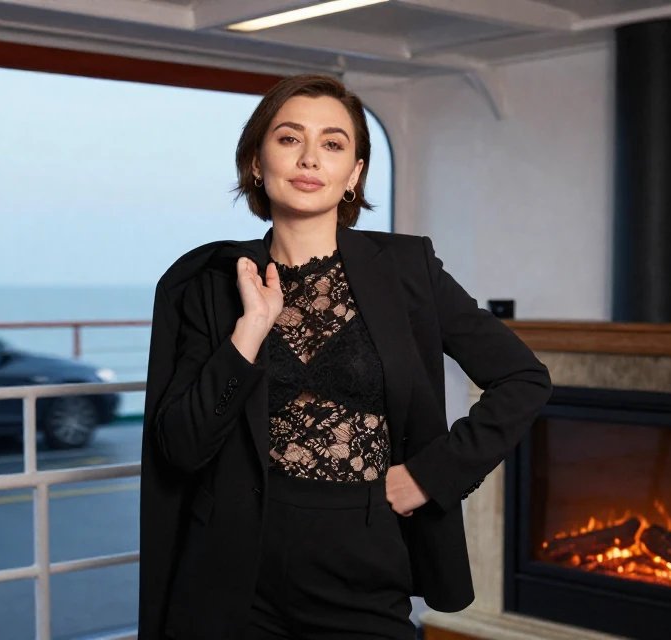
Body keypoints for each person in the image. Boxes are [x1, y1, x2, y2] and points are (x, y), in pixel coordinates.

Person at [139, 73, 552, 640]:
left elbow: (523, 379)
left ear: (354, 173)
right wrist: (250, 331)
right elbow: (181, 447)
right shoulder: (210, 284)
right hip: (235, 565)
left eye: (332, 144)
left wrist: (431, 476)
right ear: (257, 162)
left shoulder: (409, 272)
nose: (310, 158)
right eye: (289, 139)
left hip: (364, 554)